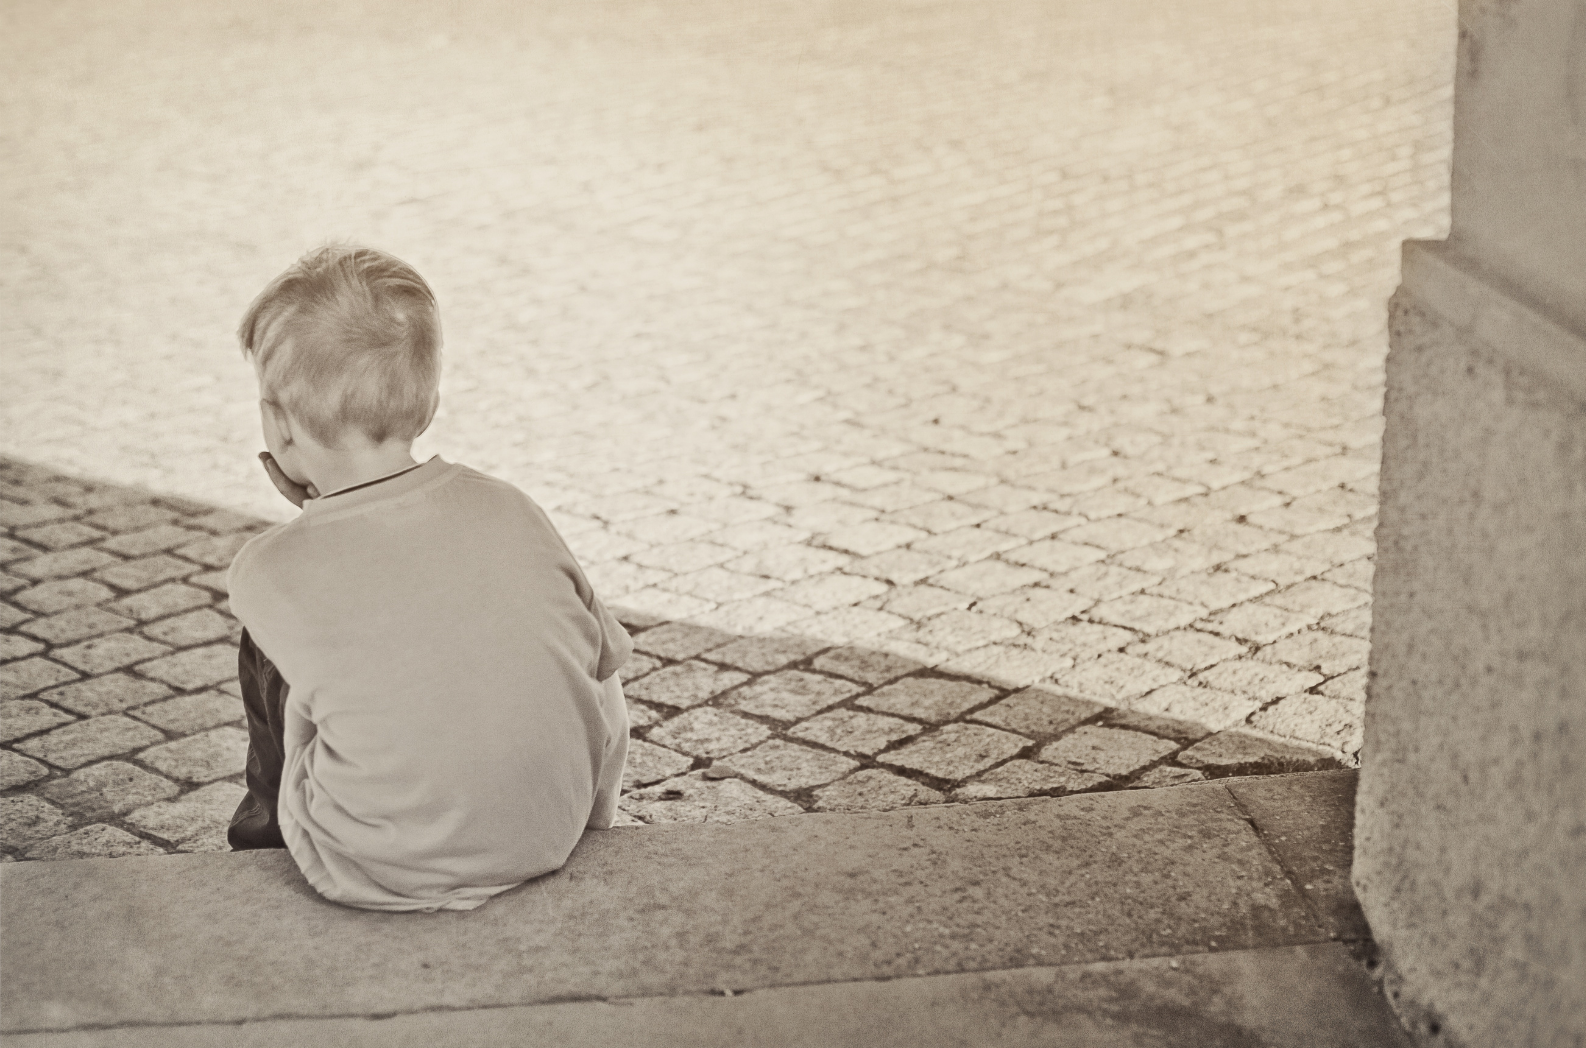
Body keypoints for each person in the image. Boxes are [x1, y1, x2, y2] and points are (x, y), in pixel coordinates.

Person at [224, 244, 631, 913]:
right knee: (592, 649)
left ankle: (263, 845)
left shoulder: (269, 569)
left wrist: (320, 521)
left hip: (374, 864)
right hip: (548, 834)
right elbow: (603, 667)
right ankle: (583, 813)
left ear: (277, 424)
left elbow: (351, 594)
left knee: (271, 642)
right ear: (431, 402)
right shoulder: (509, 507)